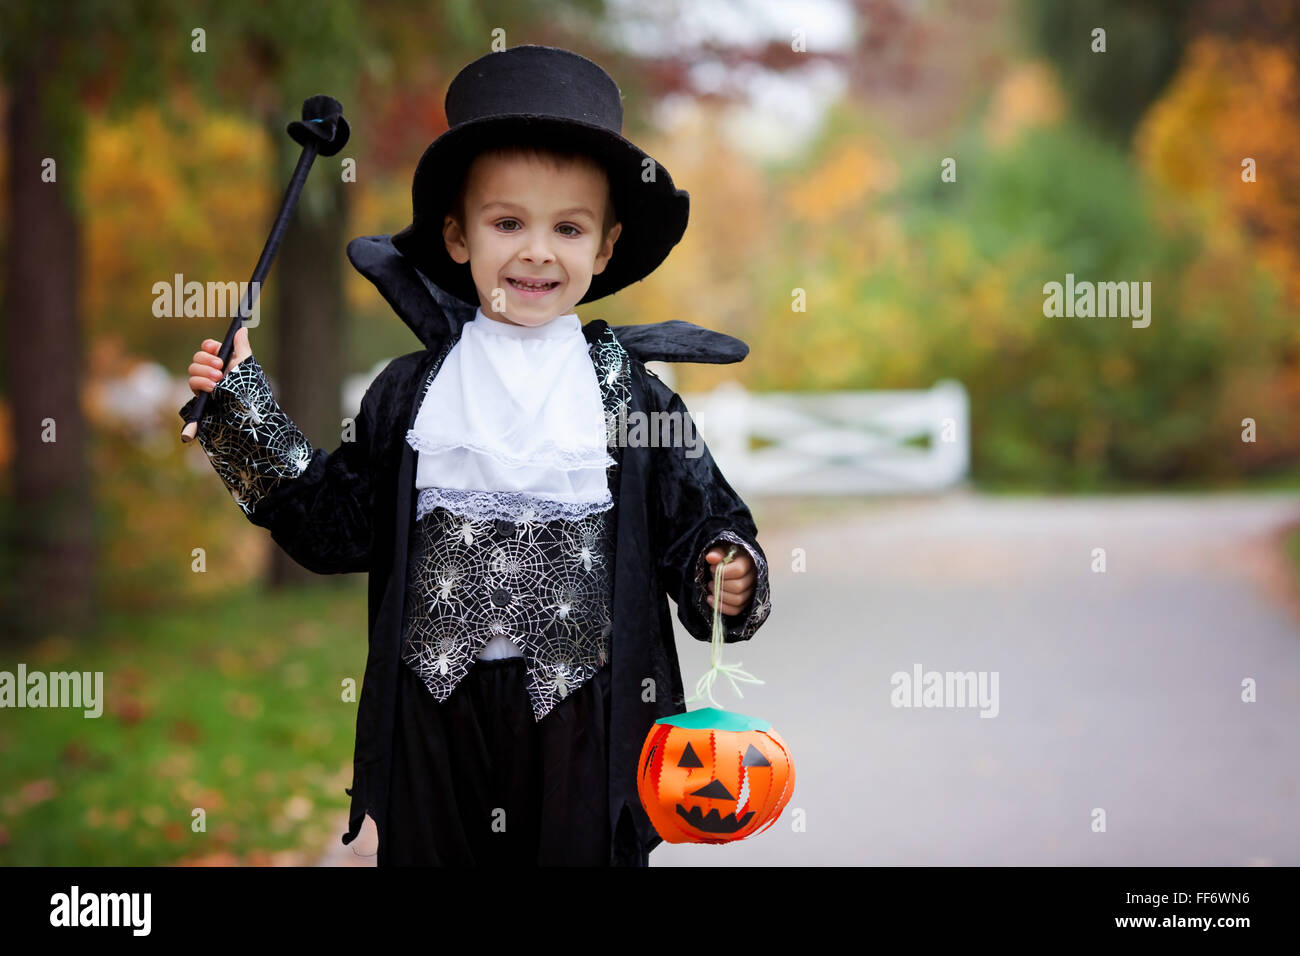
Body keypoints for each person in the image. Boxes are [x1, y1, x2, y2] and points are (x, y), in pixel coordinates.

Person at [180, 44, 772, 866]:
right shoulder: (414, 393)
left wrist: (724, 568)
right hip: (433, 711)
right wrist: (241, 409)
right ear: (459, 237)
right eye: (508, 223)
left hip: (585, 715)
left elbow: (696, 521)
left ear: (604, 249)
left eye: (567, 228)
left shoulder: (630, 397)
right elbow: (335, 526)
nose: (536, 252)